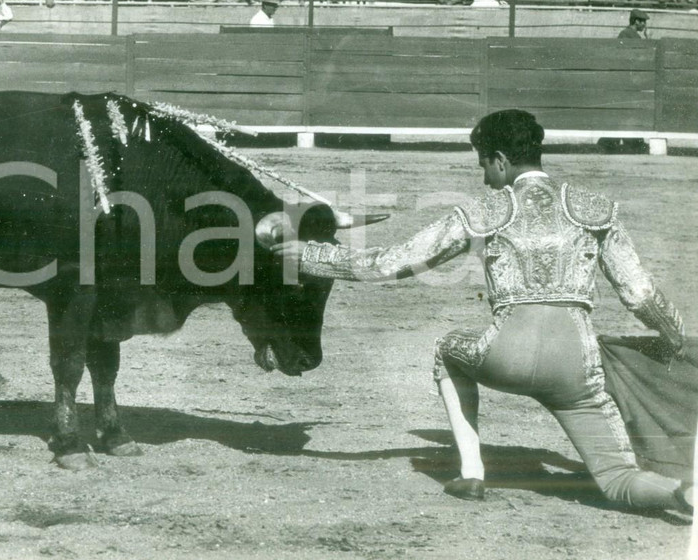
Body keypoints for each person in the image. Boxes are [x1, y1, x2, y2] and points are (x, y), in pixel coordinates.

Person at [274, 109, 694, 514]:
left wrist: (308, 254)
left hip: (504, 355)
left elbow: (393, 263)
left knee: (446, 349)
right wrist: (675, 339)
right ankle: (681, 495)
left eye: (484, 166)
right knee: (618, 477)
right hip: (577, 368)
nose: (485, 178)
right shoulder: (594, 208)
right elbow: (639, 294)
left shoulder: (483, 211)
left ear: (500, 160)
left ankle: (472, 473)